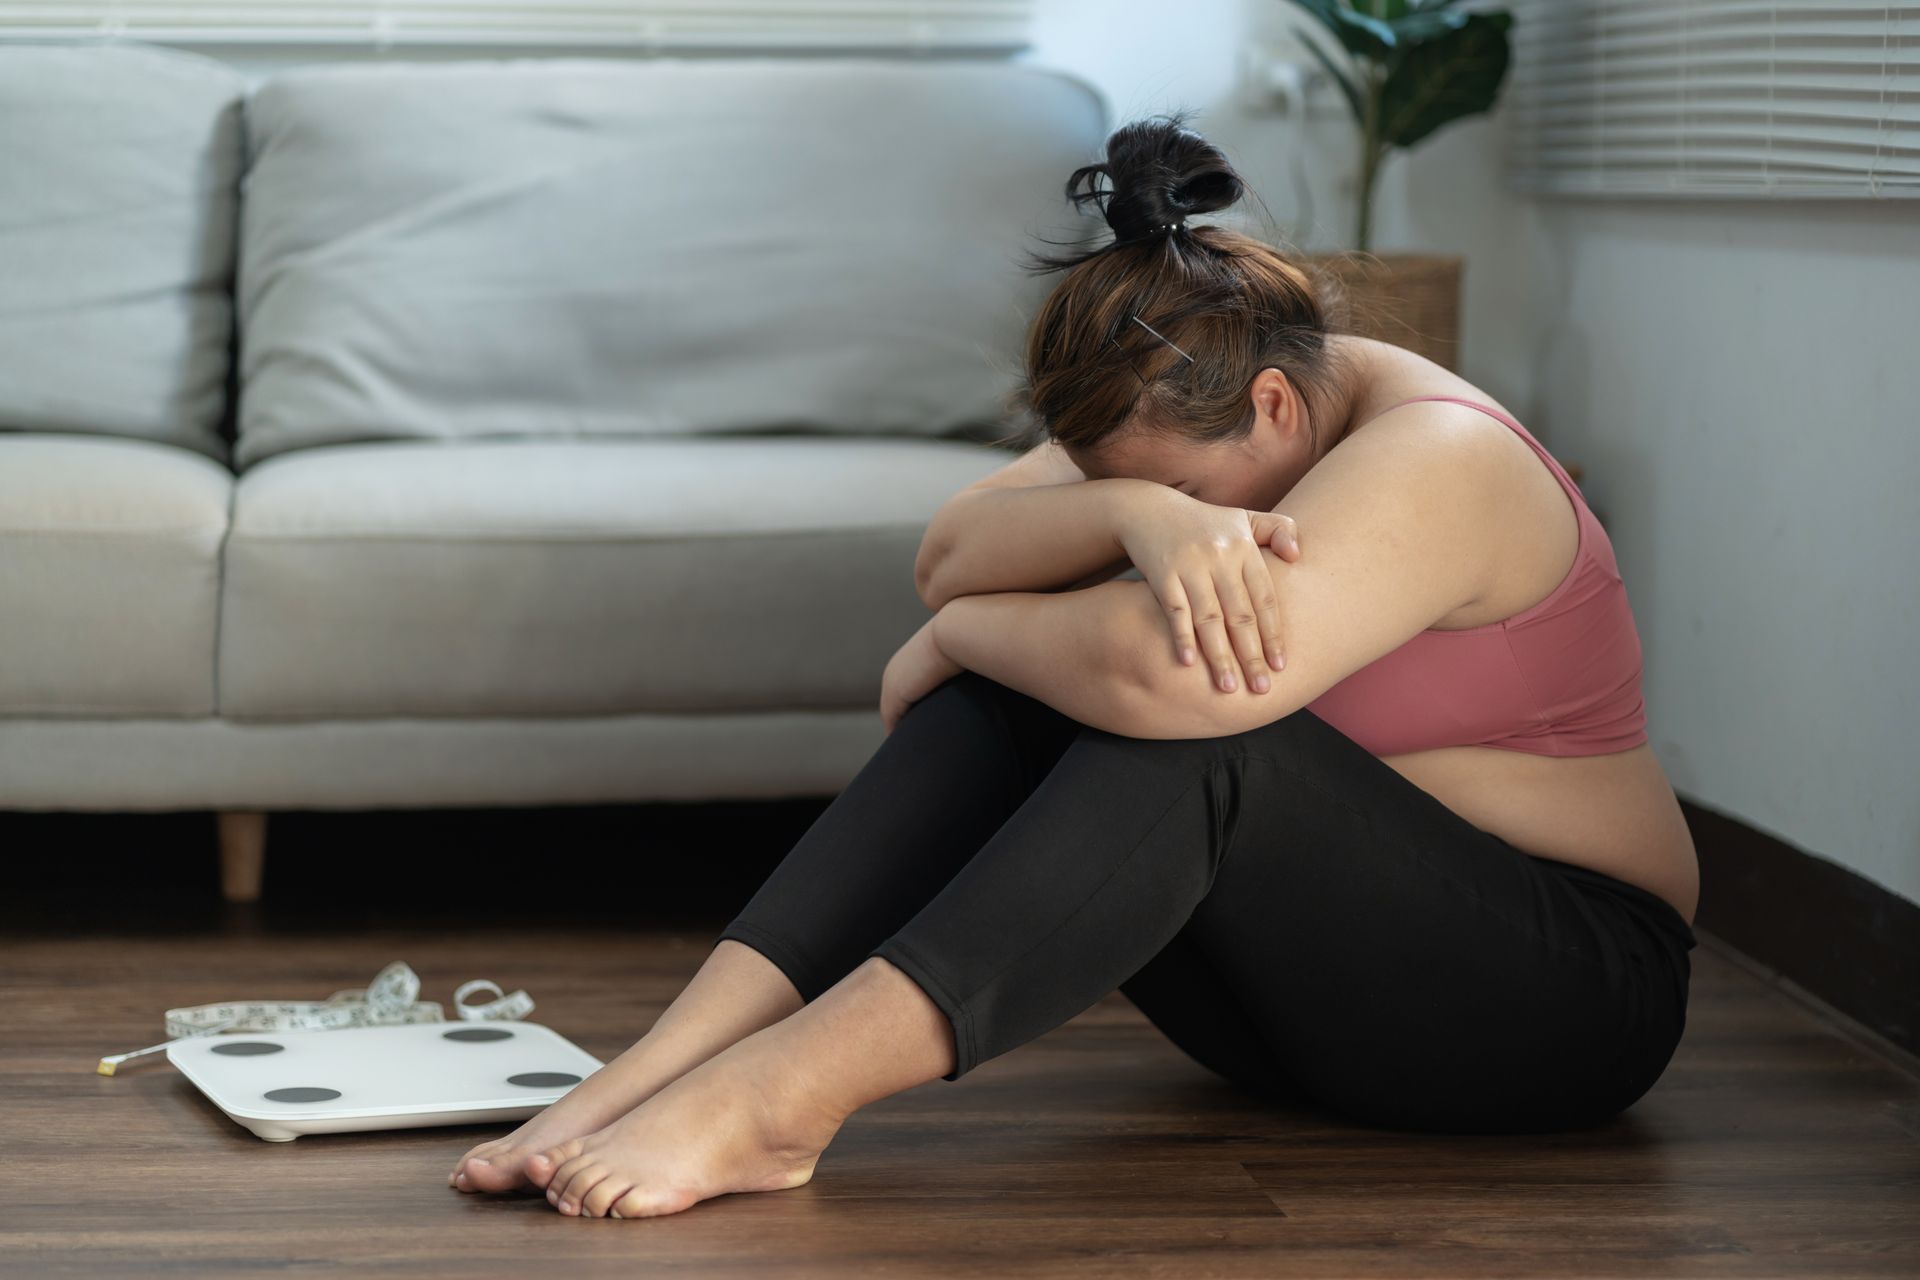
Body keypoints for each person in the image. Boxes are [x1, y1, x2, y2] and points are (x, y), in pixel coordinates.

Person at [447, 110, 1700, 1220]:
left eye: (1172, 488)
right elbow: (953, 549)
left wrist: (961, 636)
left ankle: (777, 1099)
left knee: (1195, 732)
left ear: (1273, 408)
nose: (1150, 506)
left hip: (1556, 1006)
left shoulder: (1443, 458)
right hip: (1303, 1015)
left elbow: (1178, 685)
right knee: (1028, 688)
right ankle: (656, 1068)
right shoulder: (1182, 396)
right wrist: (1132, 518)